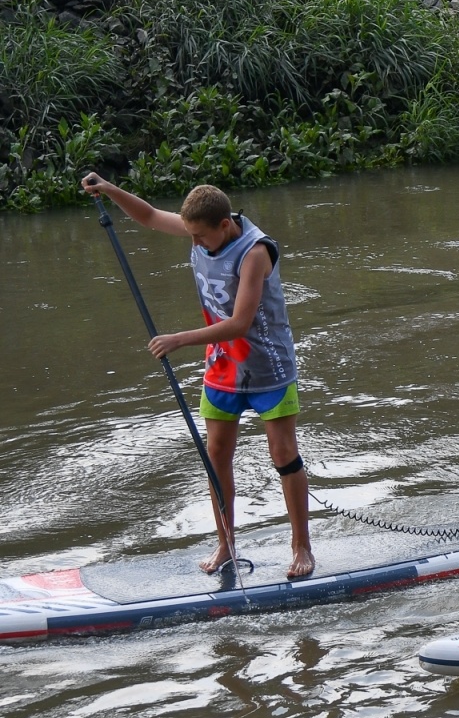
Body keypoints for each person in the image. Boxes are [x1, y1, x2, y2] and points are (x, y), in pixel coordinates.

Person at [81, 173, 314, 578]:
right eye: (190, 234)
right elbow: (150, 216)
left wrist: (178, 339)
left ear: (224, 224)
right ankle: (226, 544)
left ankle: (302, 547)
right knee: (216, 456)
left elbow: (240, 323)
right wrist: (109, 189)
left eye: (200, 236)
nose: (194, 242)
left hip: (269, 368)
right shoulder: (202, 230)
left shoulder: (255, 252)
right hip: (223, 367)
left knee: (283, 455)